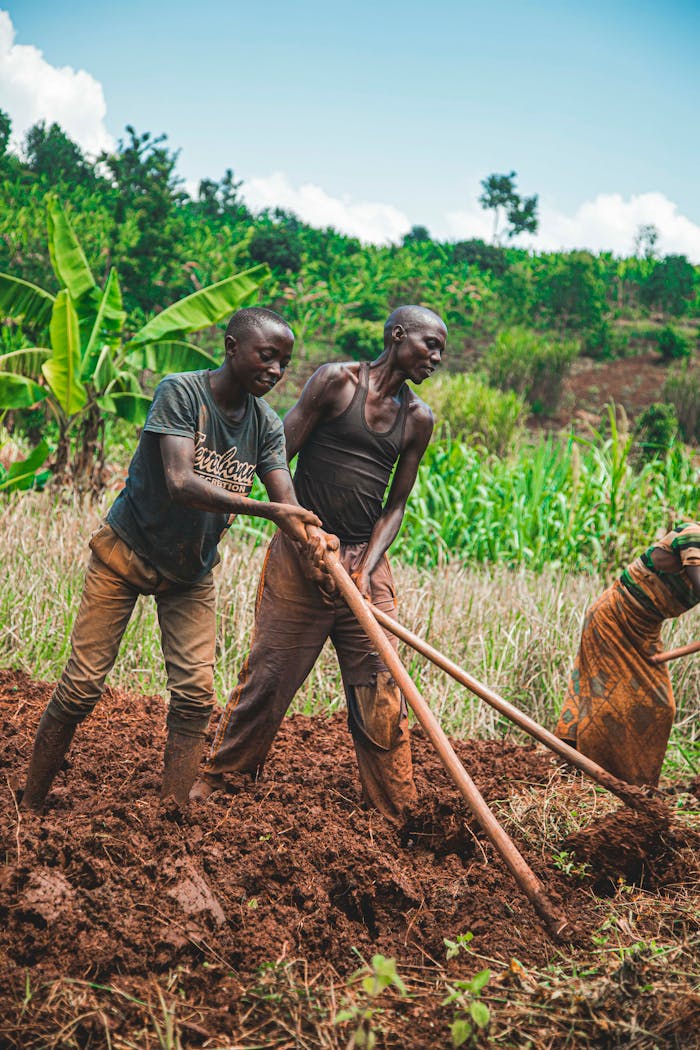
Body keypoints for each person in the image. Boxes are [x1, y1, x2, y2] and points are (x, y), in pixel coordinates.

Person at [20, 307, 324, 812]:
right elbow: (181, 483)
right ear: (231, 348)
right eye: (267, 356)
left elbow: (286, 503)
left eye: (284, 364)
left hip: (190, 573)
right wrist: (270, 510)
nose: (275, 371)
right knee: (80, 687)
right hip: (126, 554)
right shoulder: (181, 392)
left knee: (194, 697)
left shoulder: (266, 425)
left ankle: (172, 817)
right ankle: (30, 804)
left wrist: (314, 541)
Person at [191, 305, 447, 823]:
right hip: (302, 547)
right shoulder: (336, 383)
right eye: (431, 344)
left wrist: (367, 567)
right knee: (270, 674)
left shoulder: (418, 418)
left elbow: (395, 505)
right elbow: (277, 455)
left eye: (441, 349)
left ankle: (398, 813)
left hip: (362, 558)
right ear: (397, 336)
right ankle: (222, 783)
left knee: (381, 684)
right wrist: (304, 533)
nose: (437, 357)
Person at [555, 522, 700, 786]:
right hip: (614, 618)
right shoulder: (694, 536)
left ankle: (632, 785)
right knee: (605, 706)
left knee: (660, 707)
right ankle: (590, 779)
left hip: (645, 630)